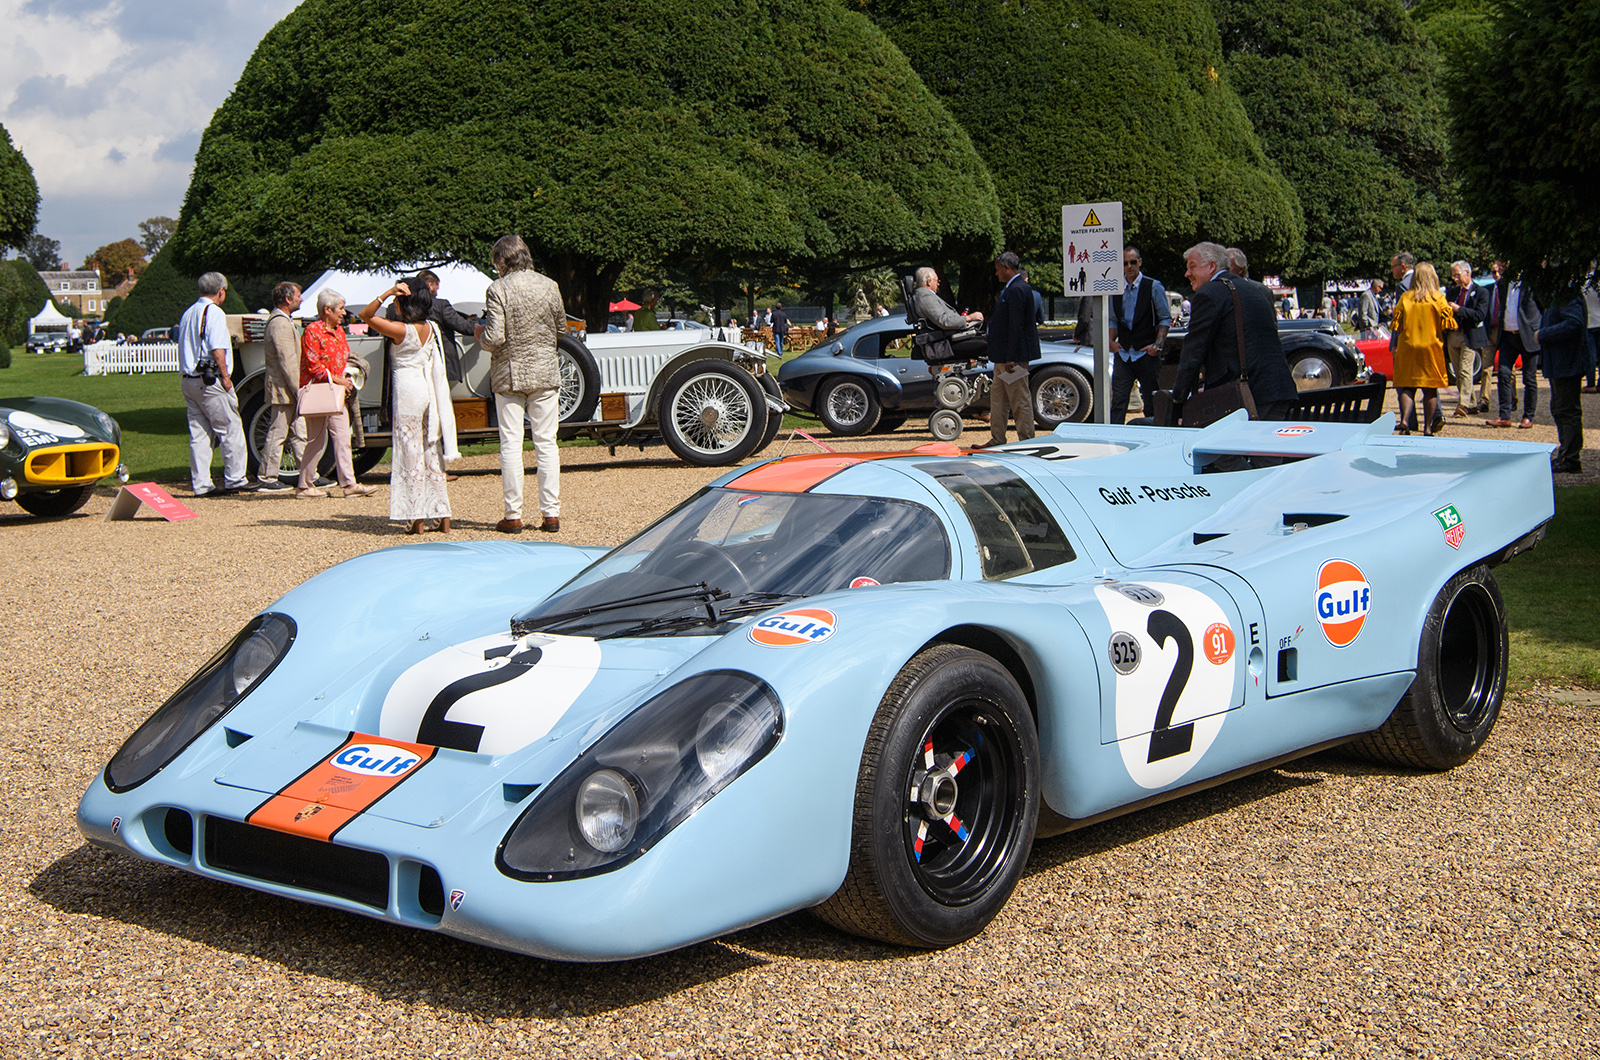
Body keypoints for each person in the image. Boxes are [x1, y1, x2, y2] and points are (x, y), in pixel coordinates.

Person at [475, 234, 567, 534]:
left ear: (502, 261)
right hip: (544, 372)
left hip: (509, 373)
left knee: (511, 444)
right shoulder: (549, 285)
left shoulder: (497, 289)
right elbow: (562, 328)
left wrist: (479, 334)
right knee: (546, 443)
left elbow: (495, 337)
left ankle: (513, 514)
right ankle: (551, 513)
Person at [362, 281, 457, 533]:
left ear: (406, 303)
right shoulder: (431, 327)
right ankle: (441, 512)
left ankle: (415, 517)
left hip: (407, 391)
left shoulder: (400, 330)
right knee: (430, 450)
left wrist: (386, 293)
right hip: (428, 390)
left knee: (409, 452)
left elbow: (365, 316)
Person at [1171, 241, 1298, 422]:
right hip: (1278, 389)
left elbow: (1193, 352)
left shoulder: (1209, 293)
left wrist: (1178, 398)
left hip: (1248, 397)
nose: (1187, 274)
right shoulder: (1254, 290)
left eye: (1192, 267)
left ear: (1212, 266)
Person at [177, 272, 255, 496]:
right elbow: (217, 347)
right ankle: (235, 478)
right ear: (220, 291)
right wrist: (226, 377)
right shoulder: (215, 313)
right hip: (209, 380)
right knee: (230, 429)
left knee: (199, 435)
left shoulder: (188, 313)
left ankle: (201, 484)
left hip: (188, 379)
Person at [296, 289, 377, 499]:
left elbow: (342, 358)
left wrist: (348, 376)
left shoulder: (339, 331)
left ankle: (349, 483)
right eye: (340, 308)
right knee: (316, 439)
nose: (343, 313)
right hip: (320, 391)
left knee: (343, 437)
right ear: (327, 309)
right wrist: (338, 379)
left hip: (336, 392)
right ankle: (304, 485)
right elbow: (314, 365)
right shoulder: (312, 331)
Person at [1390, 263, 1456, 436]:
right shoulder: (1438, 298)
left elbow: (1397, 324)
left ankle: (1404, 420)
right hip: (1430, 348)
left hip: (1408, 347)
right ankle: (1427, 428)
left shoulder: (1405, 297)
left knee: (1408, 387)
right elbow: (1447, 323)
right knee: (1430, 389)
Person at [1108, 247, 1171, 424]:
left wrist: (1157, 345)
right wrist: (1111, 342)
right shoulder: (1116, 288)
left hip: (1146, 352)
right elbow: (1113, 319)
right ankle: (1115, 439)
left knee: (1151, 401)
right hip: (1124, 352)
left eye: (1133, 262)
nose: (1129, 267)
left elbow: (1165, 318)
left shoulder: (1153, 286)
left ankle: (1153, 437)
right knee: (1119, 402)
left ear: (1140, 262)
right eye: (1125, 263)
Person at [985, 251, 1041, 445]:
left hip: (1012, 357)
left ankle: (1026, 439)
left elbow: (1016, 325)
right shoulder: (1011, 288)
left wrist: (1011, 357)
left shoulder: (1017, 289)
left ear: (1007, 268)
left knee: (1019, 399)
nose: (997, 273)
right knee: (998, 400)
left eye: (998, 269)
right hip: (1002, 356)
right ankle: (997, 438)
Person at [257, 281, 308, 491]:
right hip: (283, 388)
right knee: (278, 432)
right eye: (298, 295)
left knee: (299, 432)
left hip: (288, 388)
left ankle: (308, 474)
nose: (301, 299)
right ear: (288, 299)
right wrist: (299, 390)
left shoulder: (283, 320)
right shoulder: (279, 323)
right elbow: (287, 360)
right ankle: (267, 477)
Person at [1536, 291, 1593, 474]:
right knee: (1559, 409)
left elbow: (1574, 323)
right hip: (1559, 362)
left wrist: (1543, 334)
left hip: (1568, 362)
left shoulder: (1566, 293)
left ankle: (1570, 458)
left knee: (1567, 410)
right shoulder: (1555, 293)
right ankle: (1565, 455)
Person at [1486, 266, 1542, 429]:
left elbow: (1542, 307)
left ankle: (1528, 416)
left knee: (1529, 378)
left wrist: (1539, 330)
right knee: (1503, 373)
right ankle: (1504, 416)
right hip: (1508, 335)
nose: (1501, 268)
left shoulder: (1531, 282)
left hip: (1527, 335)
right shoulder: (1503, 284)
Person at [1444, 262, 1490, 417]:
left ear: (1467, 273)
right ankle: (1470, 403)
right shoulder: (1452, 292)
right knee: (1458, 372)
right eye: (1453, 276)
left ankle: (1463, 404)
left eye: (1457, 275)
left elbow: (1479, 315)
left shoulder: (1481, 292)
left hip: (1469, 335)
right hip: (1453, 336)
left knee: (1465, 370)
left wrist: (1458, 309)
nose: (1455, 279)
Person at [909, 266, 986, 356]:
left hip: (947, 339)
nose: (938, 284)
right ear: (929, 282)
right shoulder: (925, 297)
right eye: (937, 281)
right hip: (944, 344)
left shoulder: (923, 296)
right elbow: (944, 321)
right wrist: (969, 318)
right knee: (990, 343)